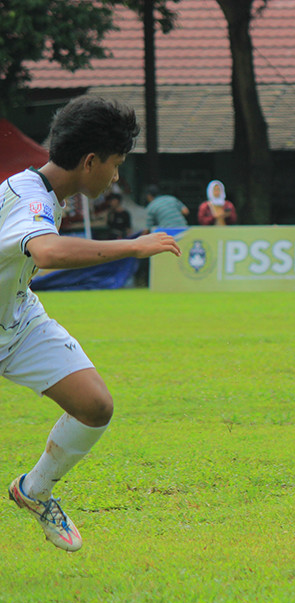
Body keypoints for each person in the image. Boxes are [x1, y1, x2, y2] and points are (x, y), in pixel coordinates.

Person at [2, 95, 181, 551]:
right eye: (116, 164)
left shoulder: (47, 193)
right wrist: (133, 246)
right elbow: (47, 251)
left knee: (95, 406)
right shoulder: (29, 197)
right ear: (89, 161)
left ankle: (34, 489)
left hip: (17, 319)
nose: (117, 176)